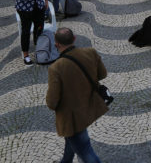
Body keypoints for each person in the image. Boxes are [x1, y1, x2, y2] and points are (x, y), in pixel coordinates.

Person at [46, 27, 107, 163]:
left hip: (71, 118)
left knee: (85, 150)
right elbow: (102, 74)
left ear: (57, 45)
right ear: (74, 39)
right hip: (88, 105)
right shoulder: (90, 52)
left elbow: (52, 102)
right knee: (73, 142)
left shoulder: (56, 68)